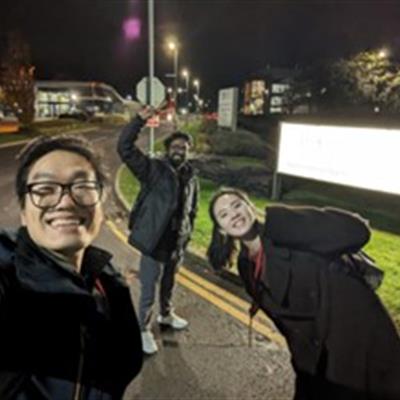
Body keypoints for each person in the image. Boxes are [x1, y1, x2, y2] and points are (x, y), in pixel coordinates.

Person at [207, 187, 400, 400]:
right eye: (223, 214)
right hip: (314, 357)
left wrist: (281, 219)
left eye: (237, 205)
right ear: (221, 229)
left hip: (357, 339)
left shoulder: (289, 232)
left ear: (251, 206)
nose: (233, 214)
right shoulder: (246, 265)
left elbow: (357, 230)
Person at [0, 135, 143, 400]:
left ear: (101, 205)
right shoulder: (9, 277)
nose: (65, 202)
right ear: (22, 212)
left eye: (82, 186)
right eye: (44, 190)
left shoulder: (107, 282)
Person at [117, 107, 199, 355]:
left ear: (188, 151)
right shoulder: (153, 169)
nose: (179, 151)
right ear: (168, 149)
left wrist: (187, 235)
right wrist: (139, 120)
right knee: (148, 287)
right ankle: (142, 329)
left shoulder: (191, 175)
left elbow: (192, 210)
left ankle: (166, 315)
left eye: (184, 148)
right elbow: (125, 148)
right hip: (155, 240)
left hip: (176, 242)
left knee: (169, 283)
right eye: (175, 146)